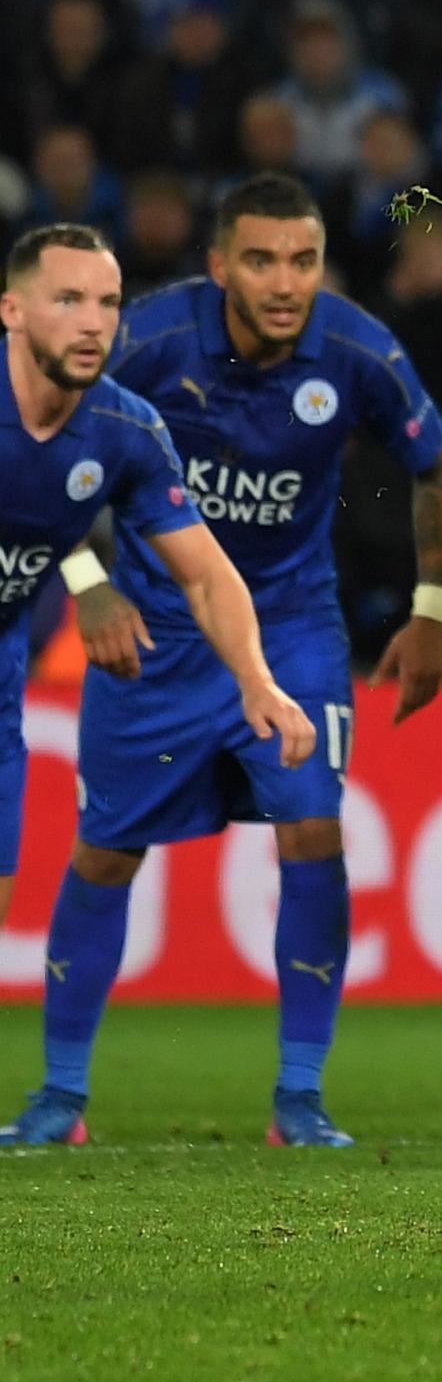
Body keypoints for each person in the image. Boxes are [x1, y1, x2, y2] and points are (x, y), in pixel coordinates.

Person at [6, 176, 442, 1149]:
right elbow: (50, 461)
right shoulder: (149, 339)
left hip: (288, 629)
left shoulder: (356, 351)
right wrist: (88, 579)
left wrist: (430, 610)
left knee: (312, 830)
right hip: (155, 639)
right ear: (219, 267)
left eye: (302, 260)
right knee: (104, 850)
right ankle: (61, 1097)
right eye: (260, 260)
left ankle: (299, 1098)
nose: (285, 282)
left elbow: (439, 466)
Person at [0, 223, 316, 1147]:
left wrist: (256, 679)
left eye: (106, 301)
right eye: (67, 300)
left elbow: (208, 576)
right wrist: (90, 586)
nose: (93, 322)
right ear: (12, 310)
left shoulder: (126, 430)